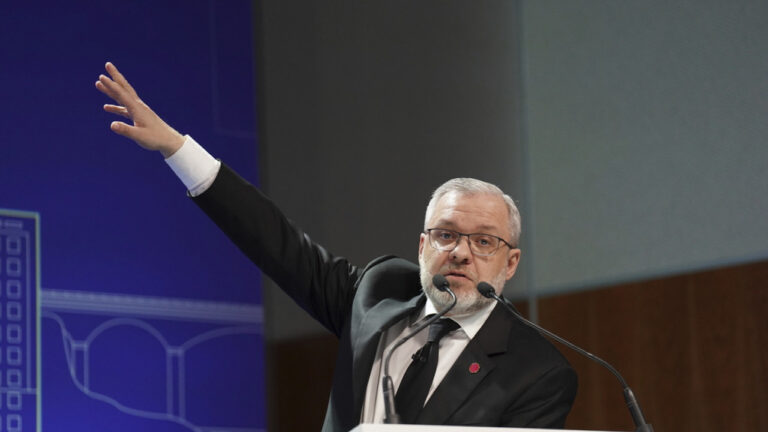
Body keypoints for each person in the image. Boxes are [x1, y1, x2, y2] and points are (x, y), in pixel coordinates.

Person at [96, 62, 577, 431]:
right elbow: (275, 241)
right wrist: (176, 147)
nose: (461, 253)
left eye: (485, 241)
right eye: (446, 235)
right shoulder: (378, 295)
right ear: (422, 245)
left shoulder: (537, 371)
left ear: (510, 263)